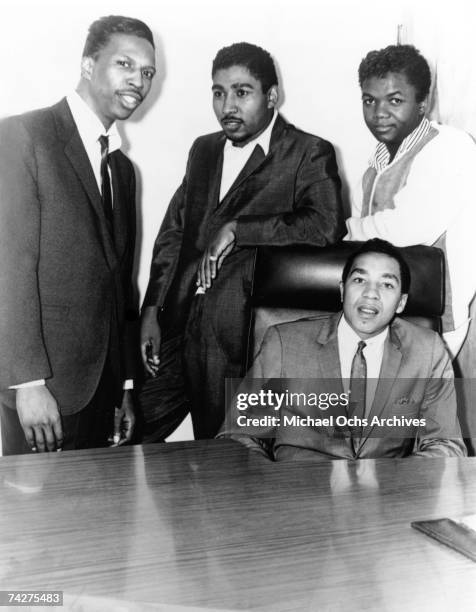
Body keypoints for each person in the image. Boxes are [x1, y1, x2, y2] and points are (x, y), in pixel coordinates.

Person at [140, 42, 344, 442]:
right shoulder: (203, 149)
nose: (227, 106)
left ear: (272, 96)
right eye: (218, 92)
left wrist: (239, 228)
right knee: (130, 430)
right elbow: (174, 233)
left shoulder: (307, 152)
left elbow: (324, 225)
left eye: (241, 92)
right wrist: (152, 308)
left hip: (237, 338)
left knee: (226, 459)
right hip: (177, 325)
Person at [0, 15, 156, 454]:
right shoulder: (23, 136)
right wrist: (27, 384)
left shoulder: (123, 169)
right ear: (88, 64)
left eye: (147, 73)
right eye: (125, 64)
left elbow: (121, 287)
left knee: (102, 521)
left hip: (103, 393)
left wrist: (125, 383)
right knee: (38, 523)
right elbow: (9, 269)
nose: (138, 81)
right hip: (43, 393)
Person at [219, 239, 466, 460]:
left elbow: (447, 445)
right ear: (342, 290)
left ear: (401, 303)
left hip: (385, 498)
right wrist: (271, 487)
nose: (371, 294)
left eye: (387, 285)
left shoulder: (428, 350)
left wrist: (394, 486)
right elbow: (237, 436)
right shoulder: (284, 343)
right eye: (359, 280)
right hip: (300, 496)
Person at [345, 44, 476, 360]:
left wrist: (349, 229)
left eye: (395, 100)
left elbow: (405, 230)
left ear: (423, 103)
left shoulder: (449, 147)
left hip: (438, 321)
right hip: (388, 318)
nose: (379, 113)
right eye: (369, 100)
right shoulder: (373, 167)